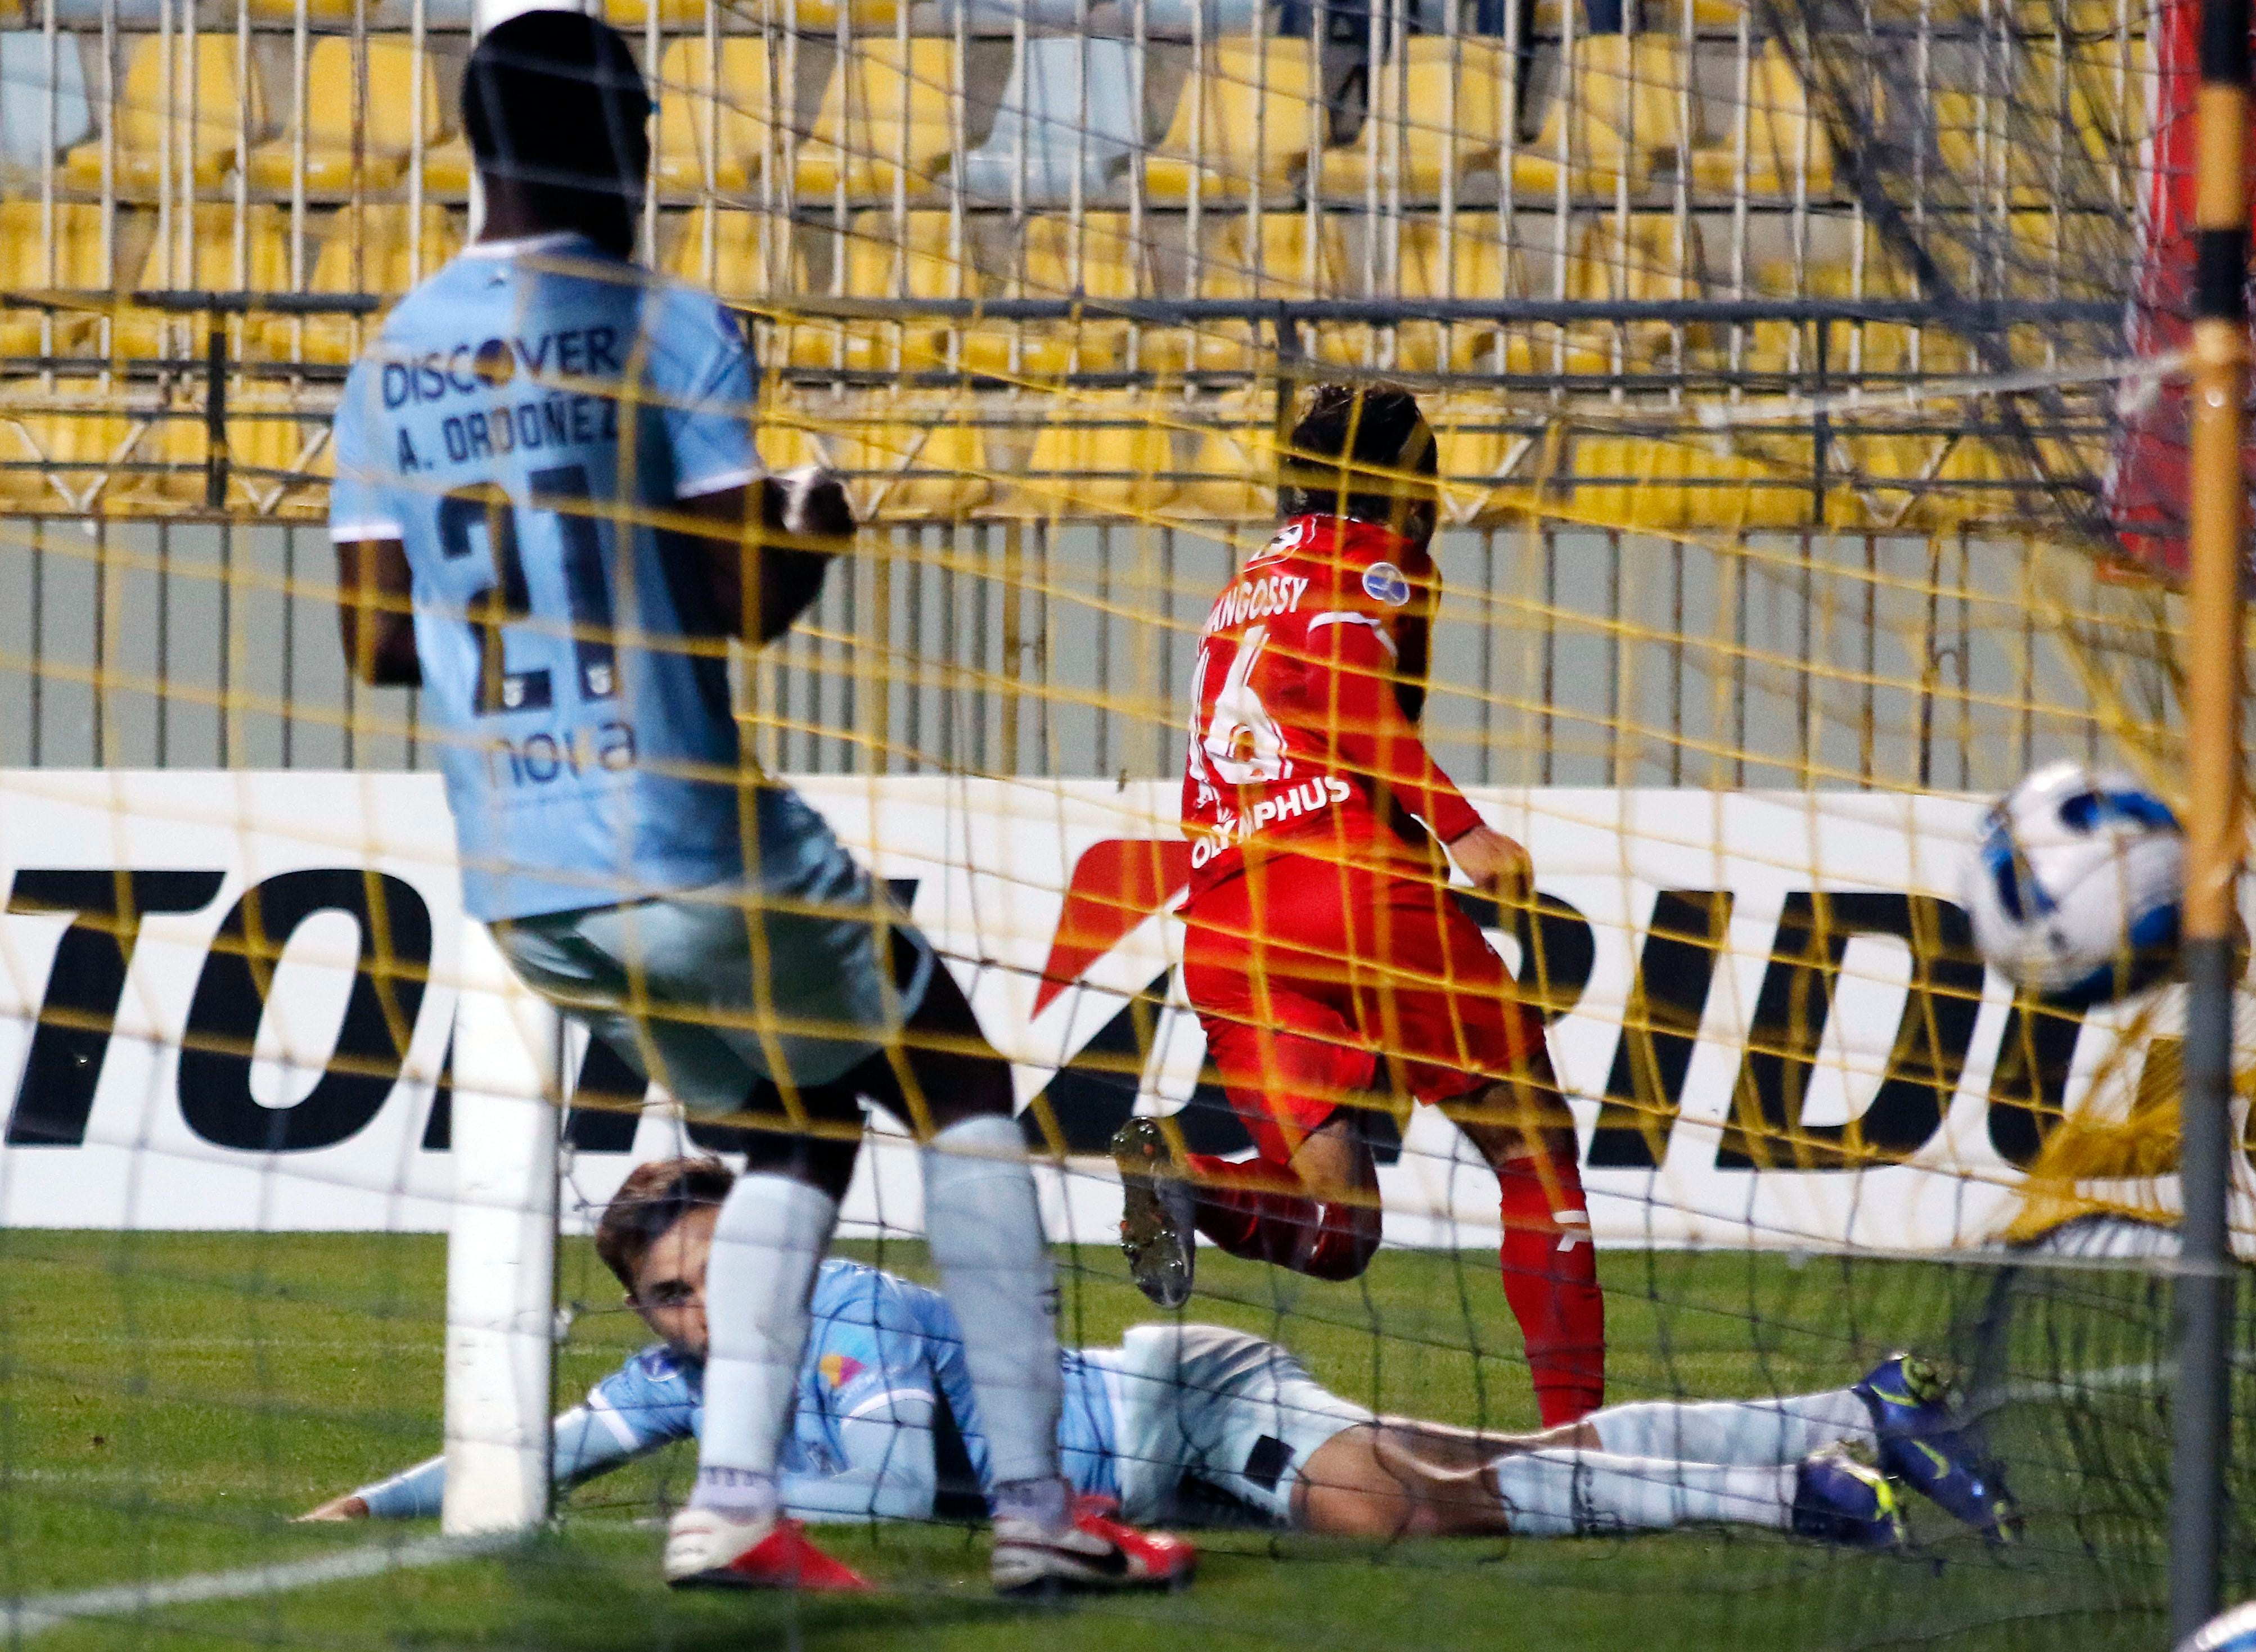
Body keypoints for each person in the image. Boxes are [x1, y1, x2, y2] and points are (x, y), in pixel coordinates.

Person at [326, 12, 1181, 1595]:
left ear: (477, 144)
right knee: (956, 1076)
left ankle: (734, 1500)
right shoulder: (666, 324)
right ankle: (1044, 1513)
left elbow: (376, 638)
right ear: (624, 137)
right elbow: (740, 605)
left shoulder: (392, 359)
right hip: (685, 832)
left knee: (795, 1123)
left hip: (524, 878)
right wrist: (811, 518)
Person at [306, 1158, 2021, 1547]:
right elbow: (528, 1455)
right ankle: (1843, 1408)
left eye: (709, 1281)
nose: (695, 1319)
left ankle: (1793, 1496)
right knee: (1503, 1464)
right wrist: (374, 1509)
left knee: (1406, 1506)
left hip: (1183, 1406)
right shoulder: (687, 1380)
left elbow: (907, 1468)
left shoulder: (849, 1317)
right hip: (1169, 1427)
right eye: (668, 1301)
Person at [1114, 382, 1605, 1428]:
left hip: (1229, 922)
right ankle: (1581, 1432)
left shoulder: (1244, 583)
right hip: (1348, 890)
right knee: (1533, 1146)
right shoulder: (1376, 559)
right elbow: (1342, 686)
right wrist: (1461, 829)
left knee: (1341, 1231)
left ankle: (1195, 1185)